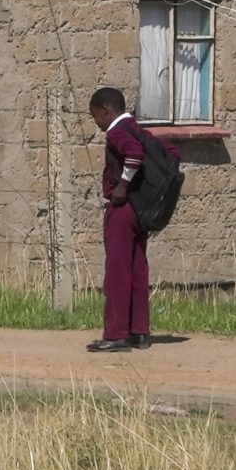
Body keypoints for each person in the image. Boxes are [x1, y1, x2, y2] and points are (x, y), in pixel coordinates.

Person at [87, 86, 152, 352]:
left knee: (118, 270)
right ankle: (139, 331)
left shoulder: (116, 132)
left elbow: (134, 155)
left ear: (106, 111)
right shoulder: (136, 127)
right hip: (141, 208)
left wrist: (122, 185)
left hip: (123, 208)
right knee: (137, 268)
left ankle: (116, 333)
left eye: (96, 118)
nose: (97, 124)